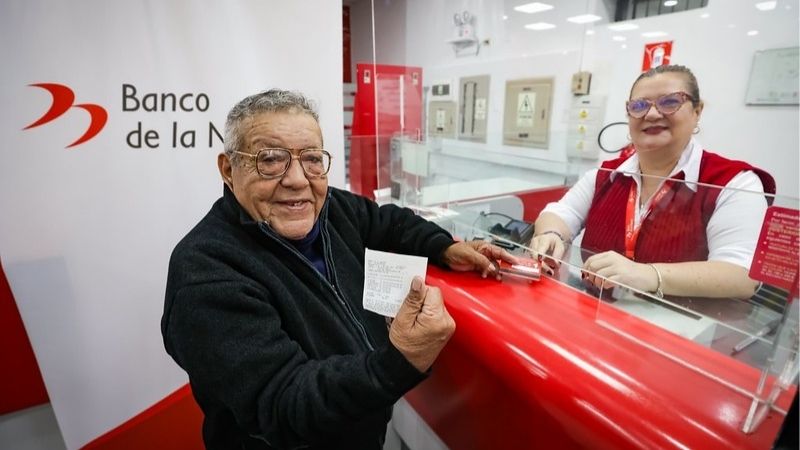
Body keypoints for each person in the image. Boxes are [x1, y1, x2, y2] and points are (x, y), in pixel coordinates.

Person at [161, 89, 514, 450]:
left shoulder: (329, 208)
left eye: (312, 159)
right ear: (228, 170)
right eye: (270, 159)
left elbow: (388, 221)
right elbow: (285, 405)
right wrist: (399, 362)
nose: (298, 179)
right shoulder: (204, 271)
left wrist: (444, 247)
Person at [532, 65, 775, 299]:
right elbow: (562, 213)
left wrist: (649, 275)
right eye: (639, 106)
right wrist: (552, 234)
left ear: (697, 111)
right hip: (593, 311)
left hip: (676, 325)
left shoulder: (733, 183)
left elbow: (743, 274)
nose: (651, 114)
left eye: (670, 102)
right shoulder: (606, 175)